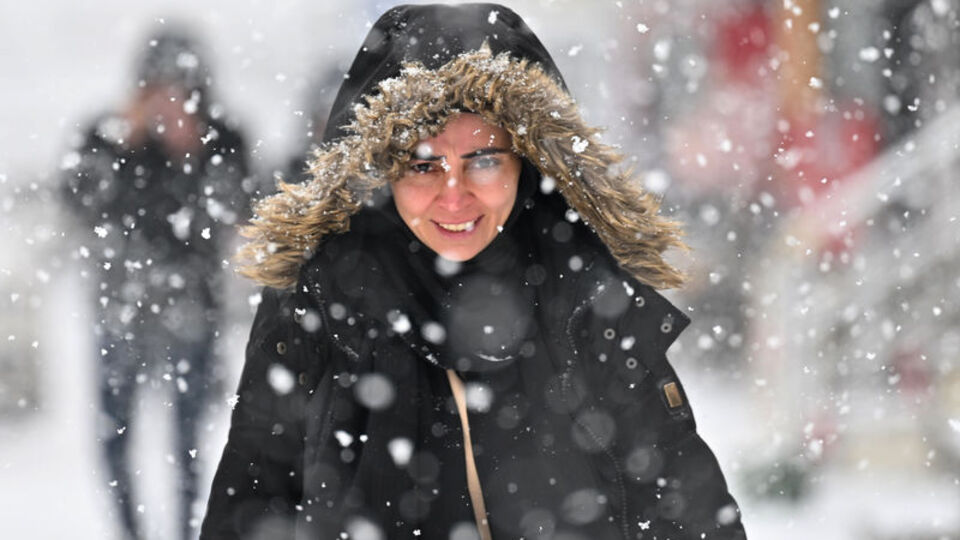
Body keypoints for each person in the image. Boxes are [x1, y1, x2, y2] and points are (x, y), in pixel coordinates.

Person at [201, 4, 746, 539]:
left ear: (528, 161)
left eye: (483, 159)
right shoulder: (321, 302)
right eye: (422, 164)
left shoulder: (585, 294)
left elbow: (684, 506)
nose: (454, 195)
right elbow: (253, 496)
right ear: (380, 172)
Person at [61, 26, 251, 540]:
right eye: (159, 90)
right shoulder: (106, 137)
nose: (171, 103)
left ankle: (190, 528)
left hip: (194, 308)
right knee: (114, 437)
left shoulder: (222, 140)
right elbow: (77, 200)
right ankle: (131, 530)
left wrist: (193, 156)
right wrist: (124, 142)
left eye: (182, 91)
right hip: (119, 308)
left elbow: (234, 213)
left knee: (190, 440)